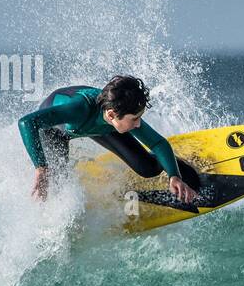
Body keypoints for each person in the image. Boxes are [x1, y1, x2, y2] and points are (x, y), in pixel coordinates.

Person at [17, 75, 201, 202]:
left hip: (98, 126)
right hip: (53, 132)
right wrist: (41, 167)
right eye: (134, 119)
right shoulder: (78, 109)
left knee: (147, 168)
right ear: (112, 115)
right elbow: (26, 123)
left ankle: (186, 173)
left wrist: (174, 175)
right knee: (56, 188)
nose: (138, 124)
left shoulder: (117, 113)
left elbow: (158, 143)